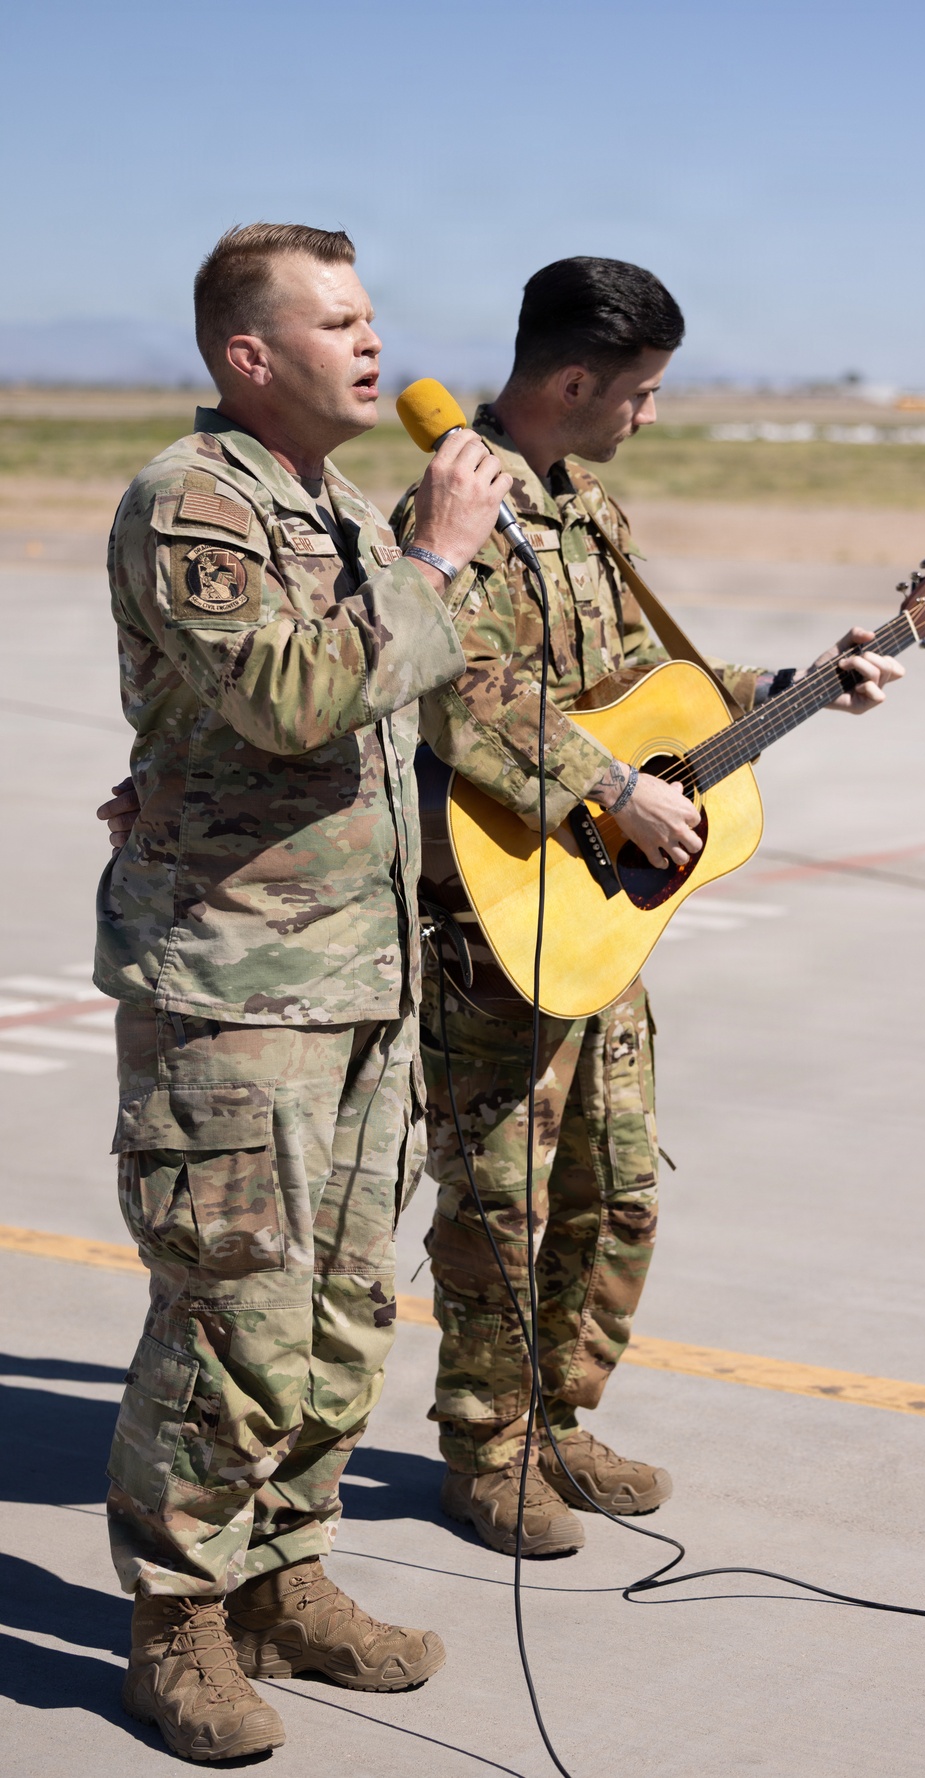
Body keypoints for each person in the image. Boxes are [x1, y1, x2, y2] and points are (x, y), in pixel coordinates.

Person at [391, 257, 903, 1557]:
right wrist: (615, 789)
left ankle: (560, 1419)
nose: (652, 414)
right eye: (644, 391)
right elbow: (455, 692)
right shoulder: (457, 506)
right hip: (496, 922)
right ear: (575, 381)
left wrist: (792, 682)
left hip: (599, 917)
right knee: (500, 1202)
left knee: (614, 1192)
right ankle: (488, 1450)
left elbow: (643, 684)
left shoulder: (588, 512)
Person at [94, 221, 511, 1763]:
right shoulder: (192, 499)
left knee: (340, 1312)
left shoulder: (331, 506)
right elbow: (294, 696)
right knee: (232, 1314)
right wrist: (435, 557)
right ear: (248, 355)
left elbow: (396, 703)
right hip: (235, 988)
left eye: (372, 314)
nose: (373, 341)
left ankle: (284, 1575)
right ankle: (179, 1619)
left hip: (355, 980)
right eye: (336, 321)